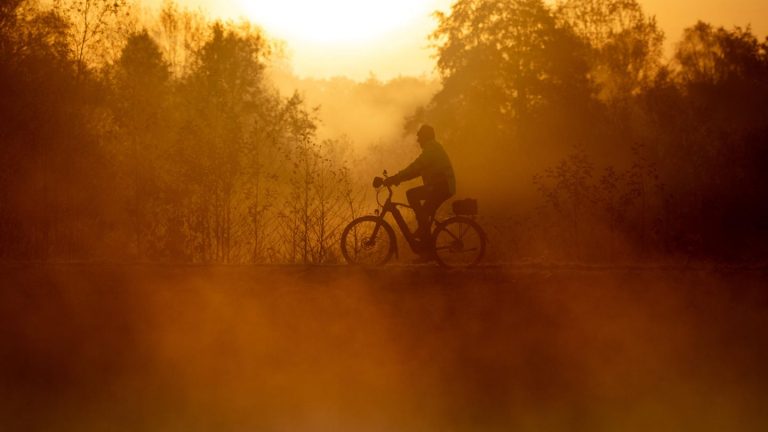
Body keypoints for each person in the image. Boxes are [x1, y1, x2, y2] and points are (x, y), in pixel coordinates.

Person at [384, 124, 456, 253]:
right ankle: (426, 250)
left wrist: (395, 178)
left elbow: (416, 167)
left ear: (425, 137)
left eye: (419, 138)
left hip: (441, 187)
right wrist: (398, 179)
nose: (418, 141)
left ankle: (423, 231)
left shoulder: (431, 149)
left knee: (412, 195)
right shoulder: (433, 148)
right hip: (440, 187)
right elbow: (416, 172)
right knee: (424, 217)